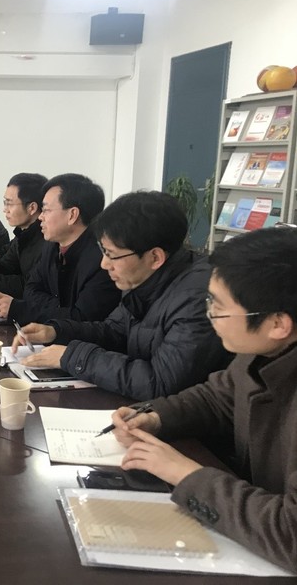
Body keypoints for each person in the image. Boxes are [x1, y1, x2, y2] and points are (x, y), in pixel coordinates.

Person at [108, 228, 297, 573]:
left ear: (277, 324)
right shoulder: (263, 350)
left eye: (219, 308)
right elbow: (217, 397)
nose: (209, 317)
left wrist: (185, 473)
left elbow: (290, 534)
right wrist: (153, 416)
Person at [11, 191, 232, 400]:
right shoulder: (143, 276)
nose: (104, 264)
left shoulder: (199, 299)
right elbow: (114, 331)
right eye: (103, 252)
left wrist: (70, 356)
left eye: (112, 255)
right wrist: (55, 331)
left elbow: (161, 382)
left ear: (155, 257)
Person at [0, 173, 119, 324]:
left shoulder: (102, 261)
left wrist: (23, 309)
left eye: (46, 210)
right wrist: (62, 307)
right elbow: (31, 289)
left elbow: (81, 319)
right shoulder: (52, 246)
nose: (41, 217)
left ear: (72, 215)